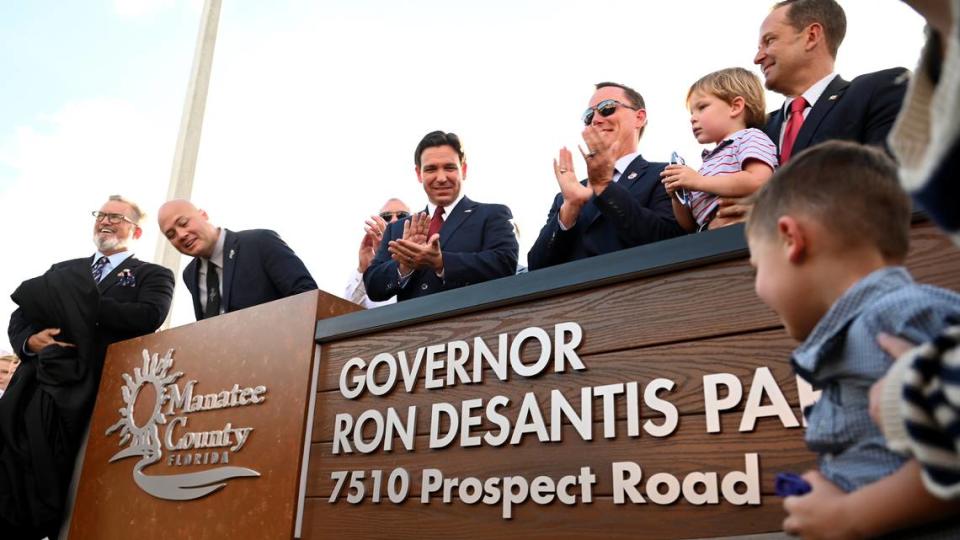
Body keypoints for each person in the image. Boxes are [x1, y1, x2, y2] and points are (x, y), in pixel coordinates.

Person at [783, 2, 960, 537]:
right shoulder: (943, 66)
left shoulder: (902, 314)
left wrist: (921, 389)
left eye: (770, 38)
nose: (757, 53)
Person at [745, 142, 960, 538]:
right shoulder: (870, 327)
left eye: (756, 266)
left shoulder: (898, 317)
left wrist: (849, 515)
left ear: (791, 239)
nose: (758, 287)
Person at [2, 195, 175, 538]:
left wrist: (77, 303)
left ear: (136, 232)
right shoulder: (62, 271)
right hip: (36, 389)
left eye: (116, 217)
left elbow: (148, 317)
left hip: (97, 395)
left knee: (69, 482)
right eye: (101, 215)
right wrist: (30, 341)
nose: (105, 221)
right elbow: (22, 316)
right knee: (14, 475)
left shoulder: (152, 275)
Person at [717, 0, 910, 224]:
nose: (758, 58)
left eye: (769, 41)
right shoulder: (755, 130)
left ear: (812, 36)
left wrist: (769, 212)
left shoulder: (880, 90)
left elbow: (887, 181)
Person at [527, 82, 684, 270]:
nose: (596, 120)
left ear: (639, 117)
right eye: (589, 116)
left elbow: (670, 242)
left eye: (607, 108)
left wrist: (605, 187)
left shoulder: (665, 174)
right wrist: (570, 207)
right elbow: (537, 265)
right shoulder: (568, 195)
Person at [363, 131, 519, 301]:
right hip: (413, 326)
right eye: (431, 169)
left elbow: (505, 264)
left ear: (463, 169)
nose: (441, 178)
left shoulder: (492, 215)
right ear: (419, 174)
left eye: (449, 167)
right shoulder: (398, 228)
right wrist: (404, 265)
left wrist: (441, 262)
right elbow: (373, 286)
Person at [660, 68, 778, 232]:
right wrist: (678, 197)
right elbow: (689, 224)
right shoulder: (706, 166)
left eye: (702, 107)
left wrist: (698, 182)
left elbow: (759, 180)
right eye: (691, 112)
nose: (693, 118)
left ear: (735, 107)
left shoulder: (750, 137)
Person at [157, 200, 318, 320]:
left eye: (183, 223)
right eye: (171, 235)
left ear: (203, 215)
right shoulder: (190, 274)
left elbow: (308, 296)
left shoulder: (260, 242)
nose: (181, 234)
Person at [345, 198, 410, 308]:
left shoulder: (422, 255)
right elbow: (347, 309)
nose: (394, 220)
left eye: (402, 216)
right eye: (386, 217)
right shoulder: (370, 269)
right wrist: (363, 269)